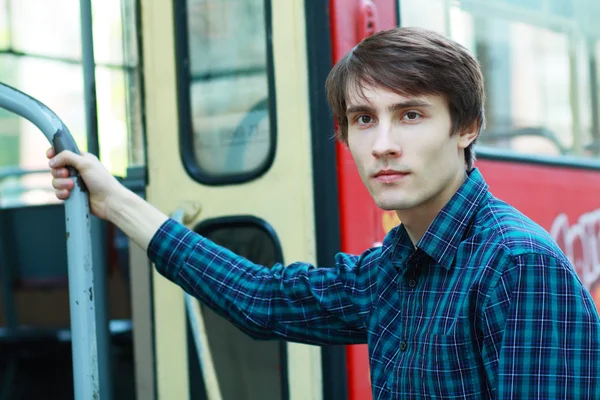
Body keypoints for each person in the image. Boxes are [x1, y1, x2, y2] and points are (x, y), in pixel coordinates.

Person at [48, 27, 600, 399]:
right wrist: (114, 200)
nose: (383, 144)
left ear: (466, 127)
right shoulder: (399, 261)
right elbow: (265, 299)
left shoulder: (517, 265)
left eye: (410, 115)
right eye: (363, 120)